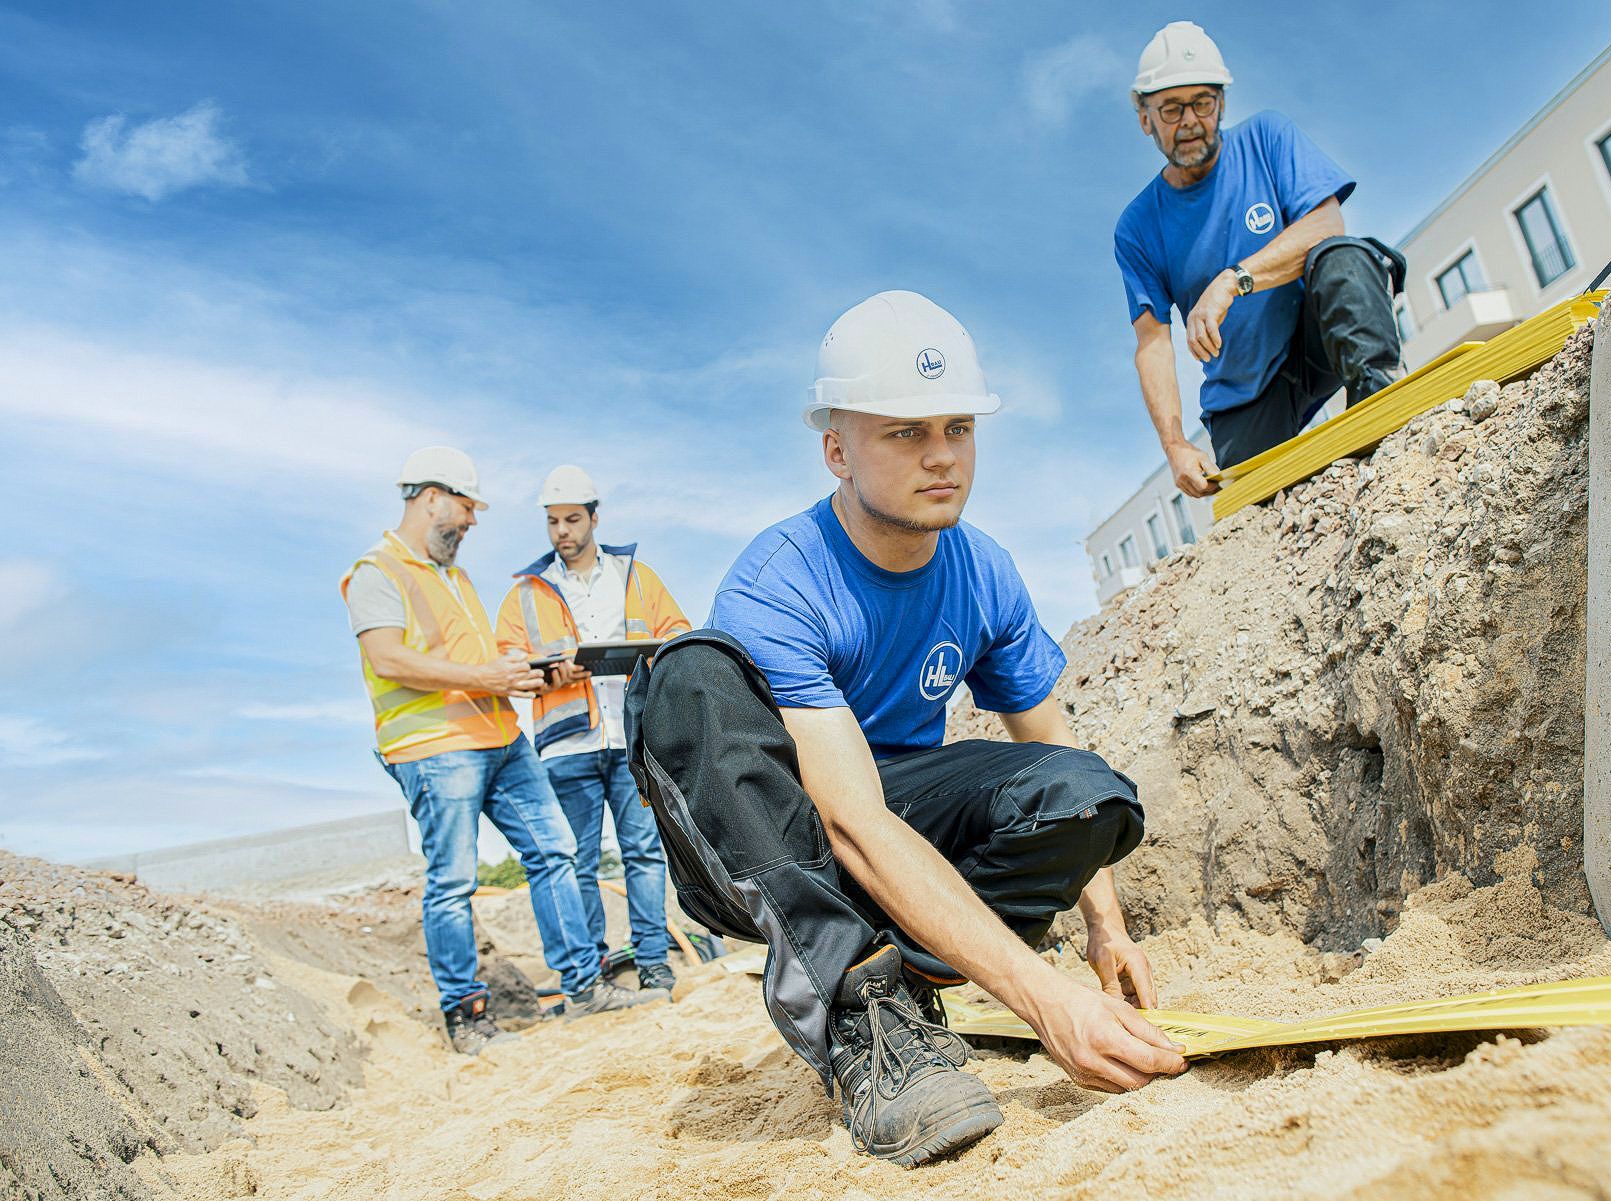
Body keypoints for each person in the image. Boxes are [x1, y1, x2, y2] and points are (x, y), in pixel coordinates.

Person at [626, 293, 1186, 1167]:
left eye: (958, 427)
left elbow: (1056, 743)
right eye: (904, 432)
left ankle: (912, 972)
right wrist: (1045, 1001)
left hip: (900, 810)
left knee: (1090, 795)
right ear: (836, 450)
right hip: (785, 842)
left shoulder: (983, 569)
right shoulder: (782, 581)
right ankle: (865, 1013)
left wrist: (1105, 927)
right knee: (686, 672)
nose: (942, 457)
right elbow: (849, 818)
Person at [340, 446, 653, 1055]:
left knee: (556, 852)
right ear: (432, 497)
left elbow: (472, 659)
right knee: (453, 882)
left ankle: (583, 988)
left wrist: (516, 669)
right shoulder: (377, 572)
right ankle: (466, 1015)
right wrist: (488, 678)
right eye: (465, 506)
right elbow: (388, 659)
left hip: (501, 740)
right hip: (435, 749)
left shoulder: (453, 579)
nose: (472, 521)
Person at [1115, 21, 1406, 492]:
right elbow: (1153, 344)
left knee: (1344, 256)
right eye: (1170, 108)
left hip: (1317, 340)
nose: (1189, 120)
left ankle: (1380, 393)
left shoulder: (1267, 137)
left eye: (1202, 103)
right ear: (1145, 118)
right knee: (1260, 509)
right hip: (1243, 392)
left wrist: (1233, 280)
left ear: (1222, 103)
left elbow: (1326, 226)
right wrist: (1175, 446)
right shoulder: (1138, 227)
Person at [496, 465, 692, 999]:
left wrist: (644, 657)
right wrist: (548, 668)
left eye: (572, 519)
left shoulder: (636, 576)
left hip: (631, 735)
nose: (562, 531)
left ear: (594, 518)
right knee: (577, 860)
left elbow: (678, 634)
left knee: (644, 852)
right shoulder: (526, 593)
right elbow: (507, 661)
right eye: (553, 521)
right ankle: (597, 965)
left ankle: (653, 961)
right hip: (567, 744)